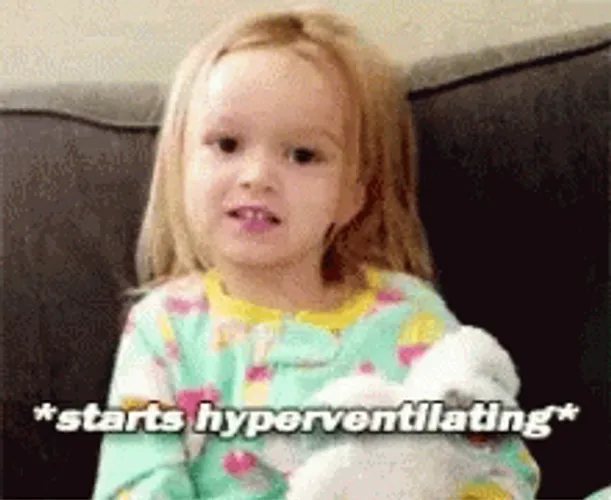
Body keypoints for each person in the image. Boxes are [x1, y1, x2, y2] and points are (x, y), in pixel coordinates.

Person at [92, 7, 540, 499]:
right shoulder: (164, 330)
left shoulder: (409, 314)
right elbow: (135, 487)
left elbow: (501, 466)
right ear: (181, 166)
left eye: (302, 155)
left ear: (353, 193)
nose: (256, 176)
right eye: (227, 144)